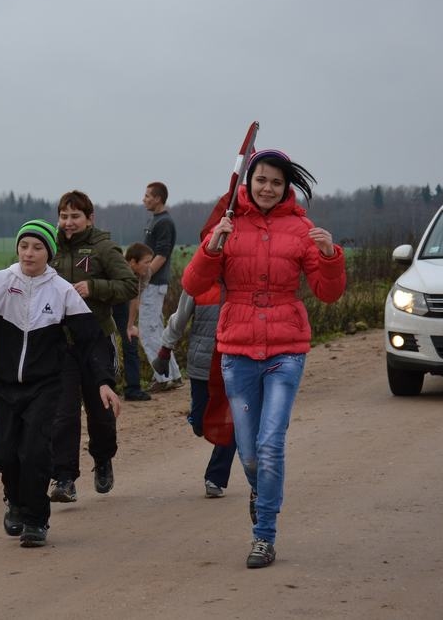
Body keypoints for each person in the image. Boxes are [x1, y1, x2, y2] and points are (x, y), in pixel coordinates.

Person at [182, 149, 346, 569]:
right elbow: (193, 283)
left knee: (270, 446)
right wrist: (212, 247)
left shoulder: (302, 229)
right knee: (250, 454)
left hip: (286, 351)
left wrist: (329, 257)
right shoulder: (228, 225)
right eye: (261, 181)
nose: (268, 188)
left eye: (276, 182)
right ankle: (260, 489)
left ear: (286, 186)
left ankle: (264, 536)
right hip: (237, 351)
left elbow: (328, 293)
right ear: (248, 183)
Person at [0, 220, 120, 548]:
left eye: (38, 247)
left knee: (34, 453)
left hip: (45, 386)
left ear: (49, 253)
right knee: (6, 455)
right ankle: (14, 501)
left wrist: (103, 381)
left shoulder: (62, 291)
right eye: (24, 246)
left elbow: (91, 340)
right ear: (17, 248)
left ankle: (35, 519)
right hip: (2, 384)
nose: (29, 253)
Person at [49, 190, 137, 502]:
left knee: (100, 412)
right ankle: (63, 478)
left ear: (89, 219)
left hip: (98, 338)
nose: (68, 223)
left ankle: (102, 458)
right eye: (63, 216)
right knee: (63, 412)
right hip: (60, 343)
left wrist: (94, 287)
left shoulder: (103, 247)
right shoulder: (51, 246)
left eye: (75, 216)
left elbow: (130, 284)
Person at [152, 286, 237, 497]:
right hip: (203, 366)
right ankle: (197, 420)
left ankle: (215, 478)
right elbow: (180, 317)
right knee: (200, 424)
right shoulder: (200, 282)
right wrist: (165, 350)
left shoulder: (243, 281)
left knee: (233, 422)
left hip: (237, 363)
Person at [140, 181, 183, 392]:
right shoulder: (156, 220)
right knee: (156, 329)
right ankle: (173, 375)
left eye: (148, 195)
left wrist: (145, 276)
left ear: (158, 198)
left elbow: (161, 254)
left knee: (147, 331)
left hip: (153, 284)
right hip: (153, 284)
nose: (144, 199)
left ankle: (162, 377)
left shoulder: (164, 222)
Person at [113, 243, 155, 402]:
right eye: (146, 262)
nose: (149, 265)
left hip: (123, 302)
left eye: (150, 261)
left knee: (130, 341)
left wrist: (130, 327)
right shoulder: (117, 270)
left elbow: (134, 299)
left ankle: (133, 388)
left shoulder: (145, 274)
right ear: (132, 262)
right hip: (107, 300)